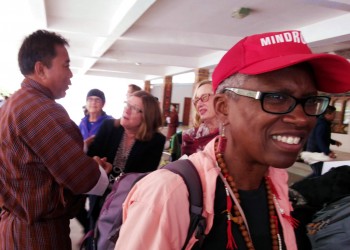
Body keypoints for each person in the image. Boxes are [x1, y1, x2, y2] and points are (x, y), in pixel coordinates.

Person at [114, 30, 350, 250]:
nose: (301, 119)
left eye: (310, 101)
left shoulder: (276, 185)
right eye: (276, 97)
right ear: (223, 107)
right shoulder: (170, 194)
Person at [0, 30, 111, 250]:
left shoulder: (14, 103)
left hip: (15, 227)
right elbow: (85, 180)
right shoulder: (41, 110)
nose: (71, 74)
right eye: (66, 65)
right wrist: (99, 170)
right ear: (41, 69)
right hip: (37, 236)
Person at [86, 90, 166, 228]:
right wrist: (97, 162)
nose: (127, 110)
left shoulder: (156, 141)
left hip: (128, 204)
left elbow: (142, 178)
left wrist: (112, 173)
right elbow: (91, 158)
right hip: (100, 197)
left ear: (147, 116)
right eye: (127, 104)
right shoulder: (108, 127)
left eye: (134, 108)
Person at [77, 88, 113, 233]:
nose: (93, 102)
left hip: (98, 173)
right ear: (86, 103)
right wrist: (85, 144)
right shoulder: (82, 123)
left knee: (94, 208)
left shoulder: (109, 123)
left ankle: (91, 237)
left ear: (103, 103)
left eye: (97, 100)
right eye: (90, 99)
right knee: (76, 207)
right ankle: (88, 230)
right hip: (81, 171)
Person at [181, 80, 219, 156]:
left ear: (220, 99)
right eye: (196, 100)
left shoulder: (234, 134)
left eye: (204, 97)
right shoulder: (190, 136)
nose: (199, 104)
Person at [306, 105, 342, 177]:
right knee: (319, 173)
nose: (335, 116)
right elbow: (320, 139)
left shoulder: (322, 122)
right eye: (334, 114)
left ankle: (299, 185)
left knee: (318, 173)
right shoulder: (322, 124)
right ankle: (299, 186)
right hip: (315, 153)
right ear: (327, 114)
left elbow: (323, 137)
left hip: (314, 151)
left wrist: (334, 142)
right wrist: (328, 152)